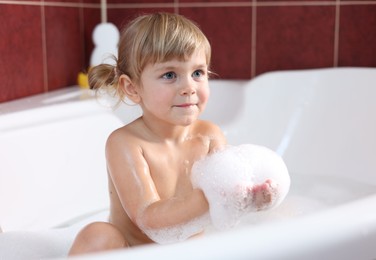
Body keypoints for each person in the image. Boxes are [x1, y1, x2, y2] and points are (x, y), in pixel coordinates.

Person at [68, 12, 277, 255]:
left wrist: (252, 199)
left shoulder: (210, 136)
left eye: (198, 73)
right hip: (134, 252)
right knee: (97, 235)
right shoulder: (126, 143)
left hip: (188, 253)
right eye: (169, 75)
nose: (189, 87)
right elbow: (148, 218)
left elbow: (229, 204)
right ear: (132, 88)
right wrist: (213, 196)